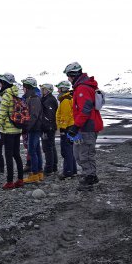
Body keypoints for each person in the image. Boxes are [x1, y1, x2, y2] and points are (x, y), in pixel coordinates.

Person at [63, 62, 104, 191]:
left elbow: (85, 109)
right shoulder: (82, 87)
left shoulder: (82, 88)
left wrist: (76, 126)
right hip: (86, 126)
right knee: (81, 153)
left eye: (69, 76)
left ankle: (90, 177)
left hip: (87, 127)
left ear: (73, 75)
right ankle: (89, 175)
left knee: (85, 153)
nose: (68, 79)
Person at [0, 73, 24, 189]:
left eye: (1, 82)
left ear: (4, 83)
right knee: (17, 154)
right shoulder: (16, 94)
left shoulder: (7, 95)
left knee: (8, 155)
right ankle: (20, 179)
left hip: (8, 131)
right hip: (17, 129)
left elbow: (2, 114)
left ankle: (10, 181)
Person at [21, 77, 43, 184]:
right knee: (37, 150)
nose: (23, 88)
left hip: (34, 129)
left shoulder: (33, 99)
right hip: (35, 128)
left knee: (32, 151)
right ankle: (39, 173)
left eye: (24, 86)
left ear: (28, 87)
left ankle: (35, 174)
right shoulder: (32, 98)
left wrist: (27, 127)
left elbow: (33, 116)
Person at [55, 80, 78, 180]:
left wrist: (62, 129)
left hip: (68, 128)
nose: (57, 90)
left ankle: (68, 172)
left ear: (63, 89)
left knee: (66, 150)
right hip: (72, 127)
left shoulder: (65, 100)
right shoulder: (70, 98)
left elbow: (65, 116)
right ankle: (73, 170)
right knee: (71, 150)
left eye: (59, 88)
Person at [40, 83, 58, 176]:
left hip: (47, 128)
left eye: (44, 89)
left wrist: (45, 127)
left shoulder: (49, 100)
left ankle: (48, 168)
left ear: (48, 90)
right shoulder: (48, 99)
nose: (42, 91)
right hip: (50, 127)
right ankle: (53, 166)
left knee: (47, 148)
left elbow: (49, 116)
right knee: (51, 146)